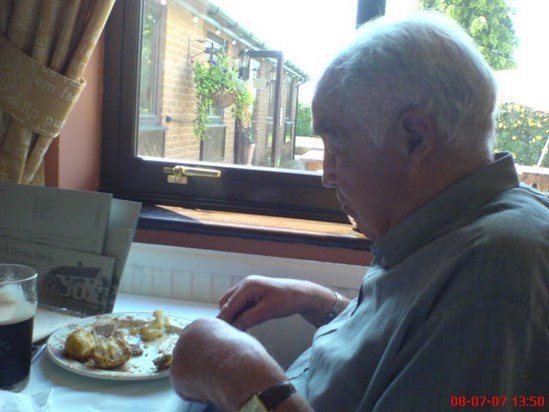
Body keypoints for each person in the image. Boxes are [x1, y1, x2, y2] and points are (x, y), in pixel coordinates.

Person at [169, 11, 549, 412]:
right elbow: (403, 351)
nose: (327, 176)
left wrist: (243, 379)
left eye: (336, 144)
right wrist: (320, 302)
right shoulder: (444, 225)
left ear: (414, 138)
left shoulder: (493, 281)